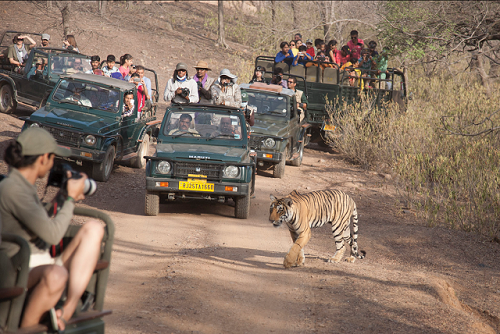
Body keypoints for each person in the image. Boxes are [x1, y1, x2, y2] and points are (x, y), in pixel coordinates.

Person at [0, 128, 104, 330]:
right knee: (57, 275)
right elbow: (53, 235)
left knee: (94, 228)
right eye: (52, 158)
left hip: (40, 262)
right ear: (43, 158)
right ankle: (28, 328)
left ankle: (66, 310)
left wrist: (63, 198)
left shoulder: (23, 186)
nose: (52, 165)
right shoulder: (13, 188)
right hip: (17, 269)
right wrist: (72, 199)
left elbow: (39, 222)